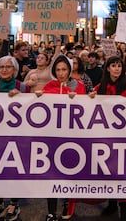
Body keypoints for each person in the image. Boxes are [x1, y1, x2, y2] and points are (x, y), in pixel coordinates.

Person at [89, 56, 126, 221]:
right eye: (113, 66)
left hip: (124, 138)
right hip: (105, 138)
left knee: (124, 174)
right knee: (108, 171)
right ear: (107, 68)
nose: (116, 69)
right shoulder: (99, 87)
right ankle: (111, 203)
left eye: (119, 66)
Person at [38, 55, 85, 221]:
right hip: (52, 136)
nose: (61, 73)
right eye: (57, 70)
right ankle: (51, 211)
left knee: (68, 172)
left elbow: (85, 107)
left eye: (64, 69)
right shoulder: (49, 85)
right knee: (51, 174)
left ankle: (67, 203)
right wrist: (38, 96)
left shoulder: (78, 85)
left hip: (72, 135)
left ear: (70, 70)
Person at [0, 56, 30, 221]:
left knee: (13, 169)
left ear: (15, 70)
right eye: (1, 67)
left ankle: (13, 203)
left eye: (8, 67)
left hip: (17, 135)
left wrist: (22, 98)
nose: (4, 70)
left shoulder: (23, 87)